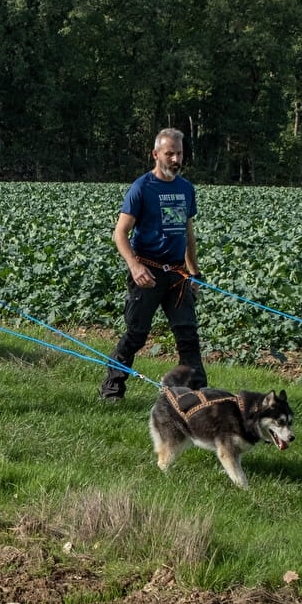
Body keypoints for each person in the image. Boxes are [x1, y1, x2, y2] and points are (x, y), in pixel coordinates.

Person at [98, 127, 205, 401]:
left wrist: (194, 272)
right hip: (147, 272)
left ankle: (198, 396)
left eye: (179, 154)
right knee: (136, 335)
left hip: (177, 275)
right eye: (169, 153)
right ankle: (112, 389)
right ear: (155, 154)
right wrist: (135, 266)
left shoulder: (186, 188)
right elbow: (120, 233)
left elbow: (188, 233)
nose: (175, 159)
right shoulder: (142, 187)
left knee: (188, 336)